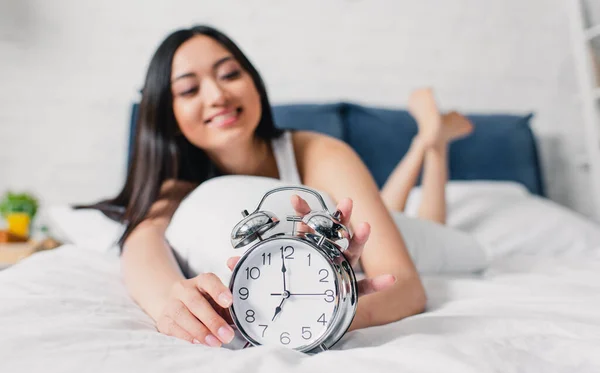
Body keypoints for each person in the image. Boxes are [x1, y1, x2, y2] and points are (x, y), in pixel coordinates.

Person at [92, 25, 472, 349]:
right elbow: (141, 240)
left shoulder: (321, 154)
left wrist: (329, 316)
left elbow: (406, 286)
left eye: (229, 75)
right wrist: (168, 304)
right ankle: (425, 142)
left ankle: (432, 148)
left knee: (417, 222)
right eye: (189, 90)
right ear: (169, 117)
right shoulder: (177, 185)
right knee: (391, 209)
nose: (217, 96)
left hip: (405, 235)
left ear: (256, 87)